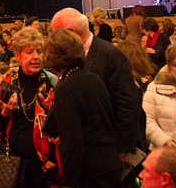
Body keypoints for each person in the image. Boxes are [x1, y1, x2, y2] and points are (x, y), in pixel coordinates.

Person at [50, 9, 144, 168]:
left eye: (57, 35)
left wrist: (122, 150)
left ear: (71, 32)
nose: (54, 41)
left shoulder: (110, 55)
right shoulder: (69, 57)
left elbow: (127, 104)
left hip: (107, 151)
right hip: (82, 151)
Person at [0, 28, 59, 188]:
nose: (36, 57)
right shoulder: (6, 81)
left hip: (45, 167)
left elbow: (61, 126)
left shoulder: (51, 81)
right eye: (30, 52)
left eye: (39, 52)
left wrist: (51, 110)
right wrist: (5, 112)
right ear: (18, 55)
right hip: (15, 166)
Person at [44, 30, 122, 188]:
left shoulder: (66, 88)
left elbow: (73, 142)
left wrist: (68, 185)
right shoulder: (95, 79)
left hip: (88, 174)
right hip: (110, 165)